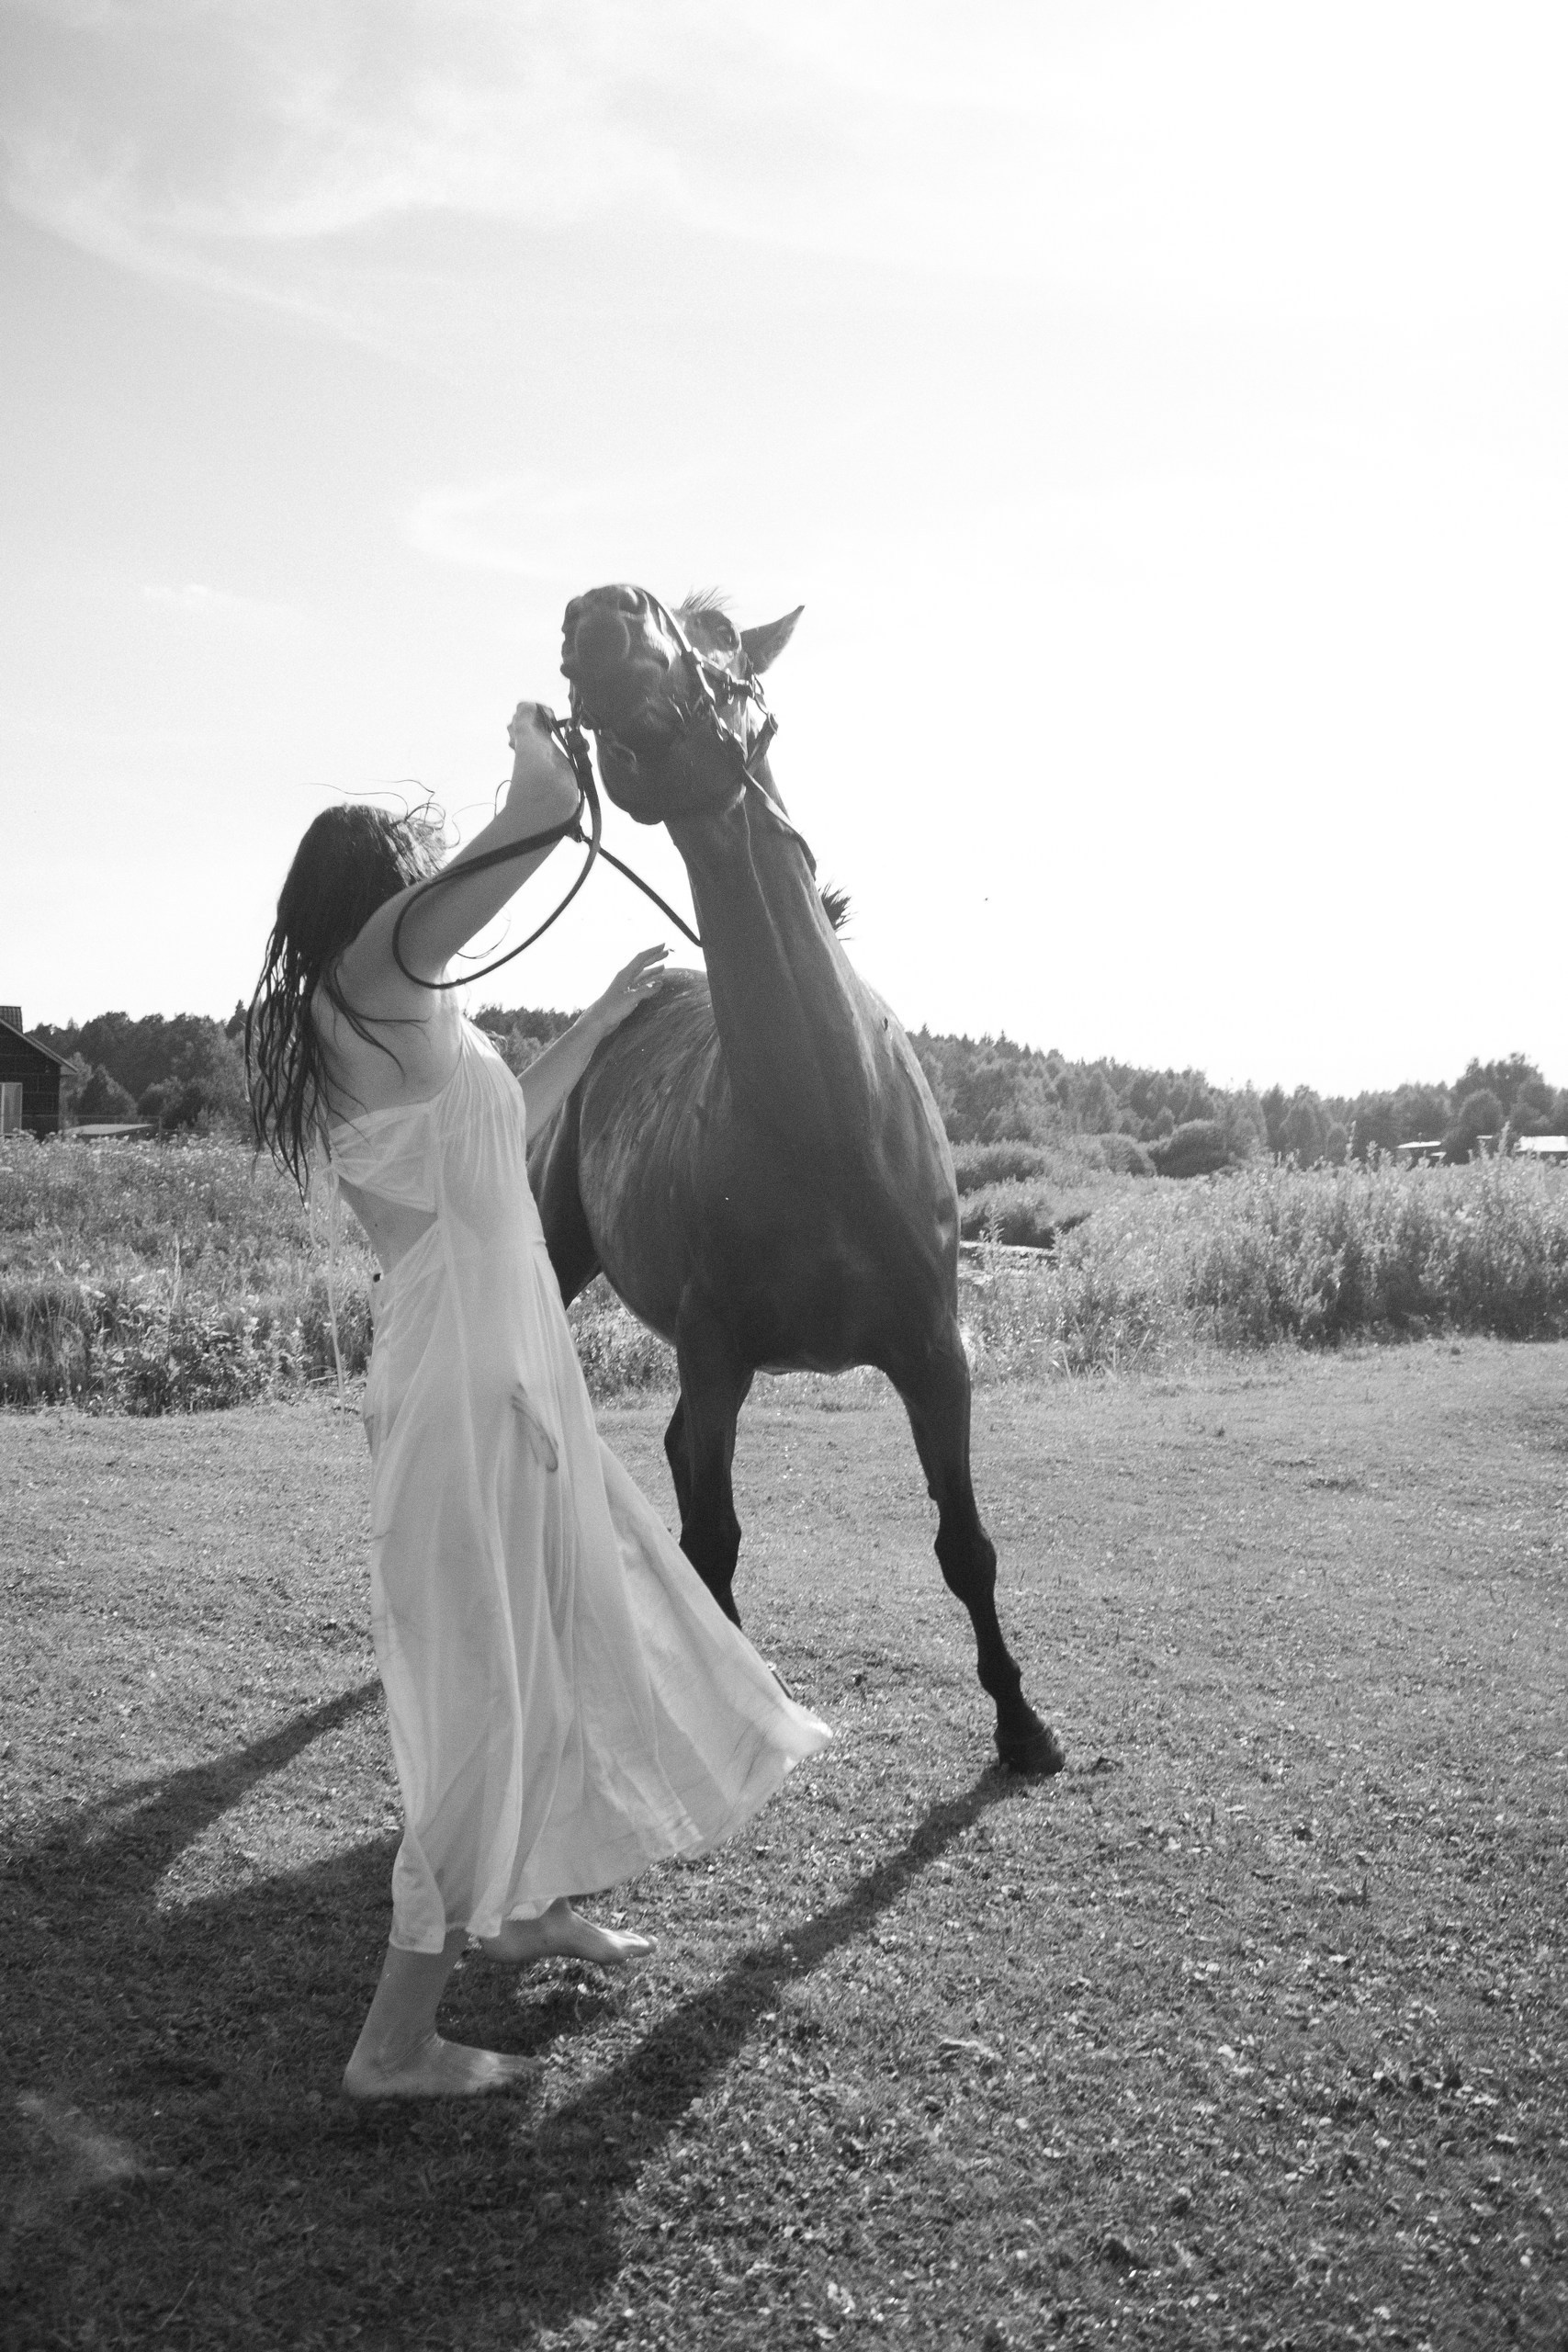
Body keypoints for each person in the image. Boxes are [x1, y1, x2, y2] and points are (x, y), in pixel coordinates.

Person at [248, 700, 829, 2098]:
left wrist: (610, 1013)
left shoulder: (418, 1015)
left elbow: (507, 1139)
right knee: (481, 1693)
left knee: (563, 1633)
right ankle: (394, 2043)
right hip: (458, 1373)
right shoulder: (365, 976)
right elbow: (534, 821)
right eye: (410, 873)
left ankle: (525, 1907)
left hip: (509, 1359)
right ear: (371, 892)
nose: (426, 895)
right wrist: (540, 753)